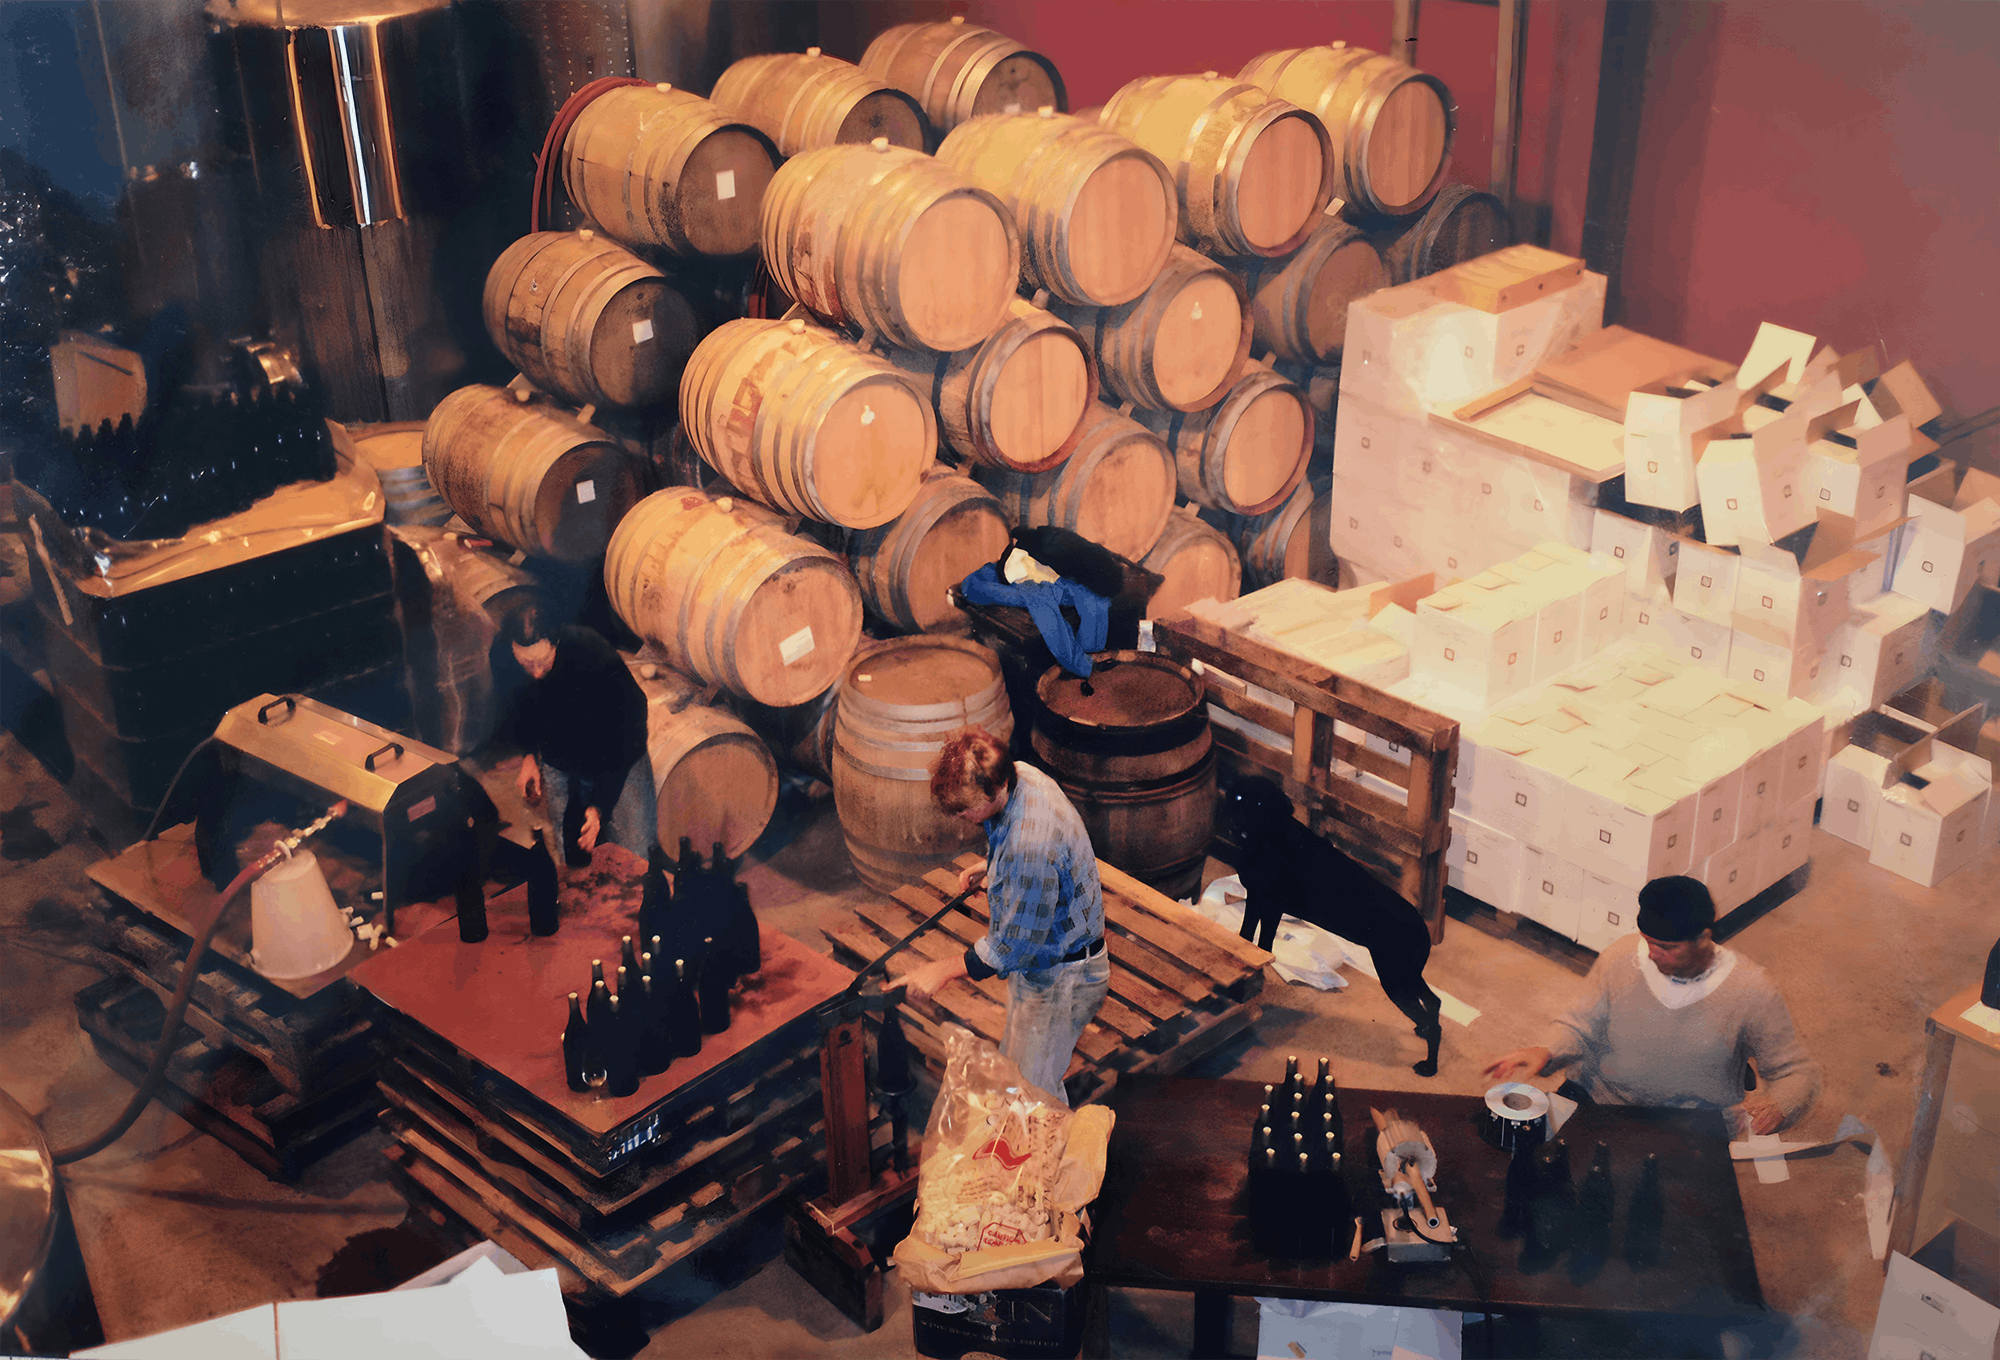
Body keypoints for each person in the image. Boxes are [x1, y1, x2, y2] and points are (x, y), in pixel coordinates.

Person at [1482, 875, 1820, 1137]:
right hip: (1597, 1098)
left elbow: (1798, 1072)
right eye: (1648, 942)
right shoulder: (1622, 957)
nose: (1653, 954)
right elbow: (1581, 1023)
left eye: (1667, 947)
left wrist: (1780, 1104)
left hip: (1688, 1126)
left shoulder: (1752, 990)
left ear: (1703, 938)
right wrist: (1547, 1050)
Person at [900, 727, 1109, 1106]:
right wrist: (995, 867)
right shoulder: (1021, 774)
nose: (961, 817)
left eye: (965, 809)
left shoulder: (1030, 848)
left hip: (1062, 977)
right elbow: (1032, 849)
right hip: (1046, 963)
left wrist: (943, 969)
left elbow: (1014, 947)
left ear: (994, 789)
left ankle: (1060, 1146)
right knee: (1017, 1076)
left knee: (1033, 1100)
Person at [493, 605, 655, 870]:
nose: (536, 672)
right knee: (566, 842)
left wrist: (599, 806)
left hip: (618, 756)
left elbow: (627, 732)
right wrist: (529, 755)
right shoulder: (504, 656)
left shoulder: (592, 654)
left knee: (634, 848)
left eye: (543, 662)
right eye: (527, 664)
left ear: (556, 642)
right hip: (560, 755)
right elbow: (518, 707)